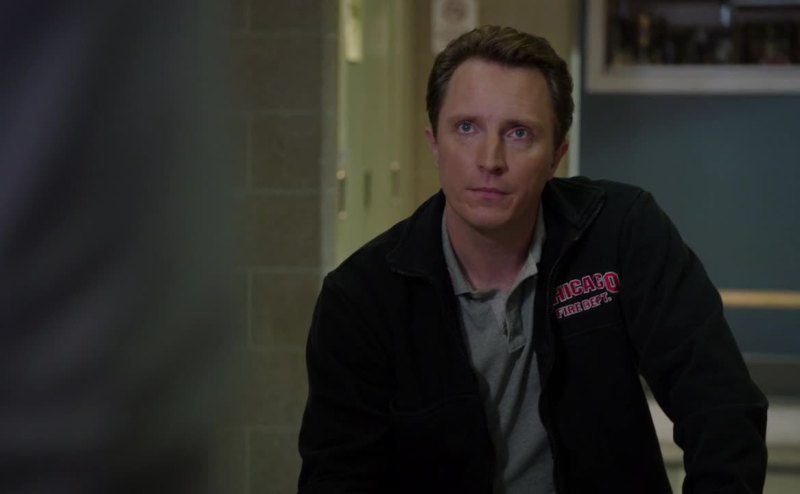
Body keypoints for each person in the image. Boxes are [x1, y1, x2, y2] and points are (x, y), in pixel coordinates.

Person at [298, 25, 767, 493]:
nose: (490, 159)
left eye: (519, 133)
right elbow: (338, 475)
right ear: (434, 143)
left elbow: (720, 405)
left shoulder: (620, 231)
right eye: (466, 128)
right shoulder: (361, 297)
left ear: (556, 156)